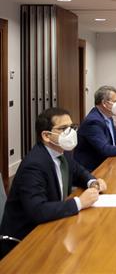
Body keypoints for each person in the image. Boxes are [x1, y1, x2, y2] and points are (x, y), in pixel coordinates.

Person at [0, 108, 107, 258]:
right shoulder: (34, 165)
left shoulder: (62, 153)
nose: (70, 132)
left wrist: (92, 181)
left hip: (52, 225)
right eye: (63, 129)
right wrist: (79, 202)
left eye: (72, 127)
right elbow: (37, 210)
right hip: (25, 240)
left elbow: (79, 172)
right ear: (46, 136)